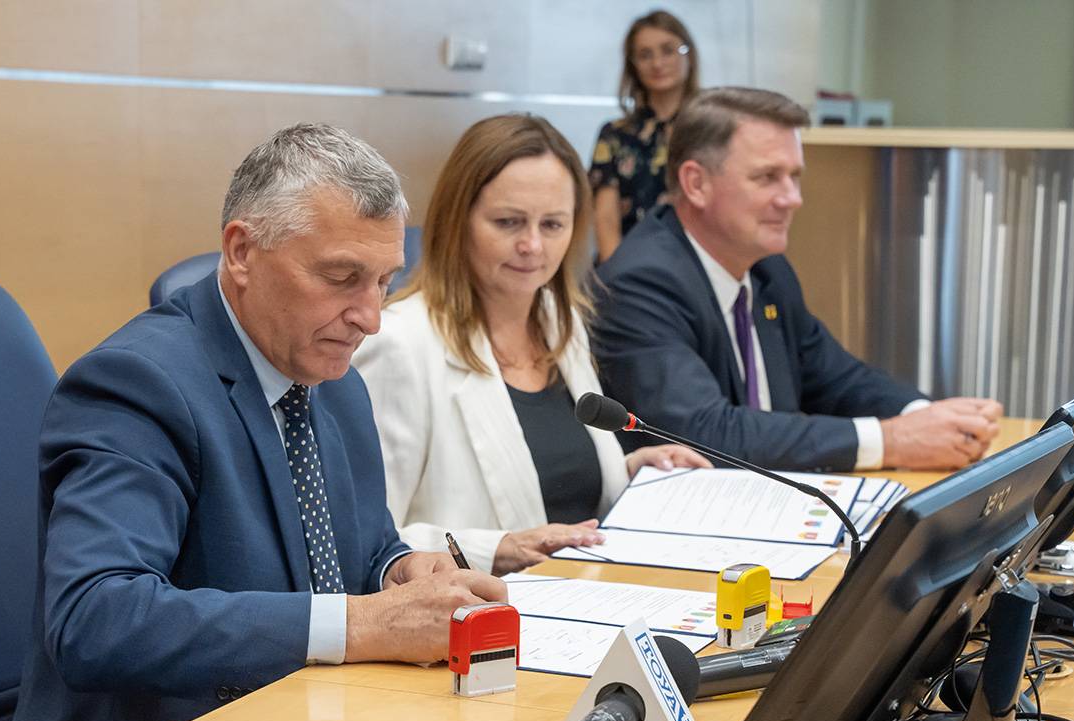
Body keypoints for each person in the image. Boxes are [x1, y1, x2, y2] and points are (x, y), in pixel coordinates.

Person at [4, 123, 507, 721]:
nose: (371, 317)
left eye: (384, 281)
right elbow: (97, 619)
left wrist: (399, 573)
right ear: (242, 251)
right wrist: (366, 623)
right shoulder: (136, 385)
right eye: (342, 277)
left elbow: (360, 551)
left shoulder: (334, 381)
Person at [352, 114, 708, 575]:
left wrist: (631, 472)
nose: (533, 246)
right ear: (457, 221)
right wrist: (497, 549)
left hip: (587, 594)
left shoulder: (561, 321)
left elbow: (556, 490)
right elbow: (364, 539)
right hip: (478, 609)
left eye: (553, 224)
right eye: (509, 222)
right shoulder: (400, 343)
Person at [593, 88, 1003, 473]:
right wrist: (892, 440)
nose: (793, 198)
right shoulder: (638, 283)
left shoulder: (767, 269)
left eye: (794, 176)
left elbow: (837, 378)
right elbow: (704, 432)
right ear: (696, 184)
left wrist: (933, 418)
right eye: (768, 177)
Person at [590, 9, 699, 262]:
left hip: (698, 267)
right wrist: (620, 276)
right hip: (627, 267)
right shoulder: (614, 135)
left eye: (668, 50)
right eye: (645, 55)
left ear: (689, 55)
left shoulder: (711, 128)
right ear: (633, 65)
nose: (657, 63)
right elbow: (606, 221)